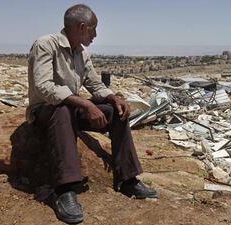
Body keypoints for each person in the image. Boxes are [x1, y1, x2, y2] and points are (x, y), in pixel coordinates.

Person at [27, 4, 157, 224]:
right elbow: (44, 87)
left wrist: (112, 98)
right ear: (82, 27)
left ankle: (127, 179)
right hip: (45, 112)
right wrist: (86, 106)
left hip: (71, 110)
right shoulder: (45, 45)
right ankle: (65, 190)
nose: (95, 35)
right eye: (93, 29)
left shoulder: (82, 52)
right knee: (61, 110)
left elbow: (94, 84)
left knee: (117, 112)